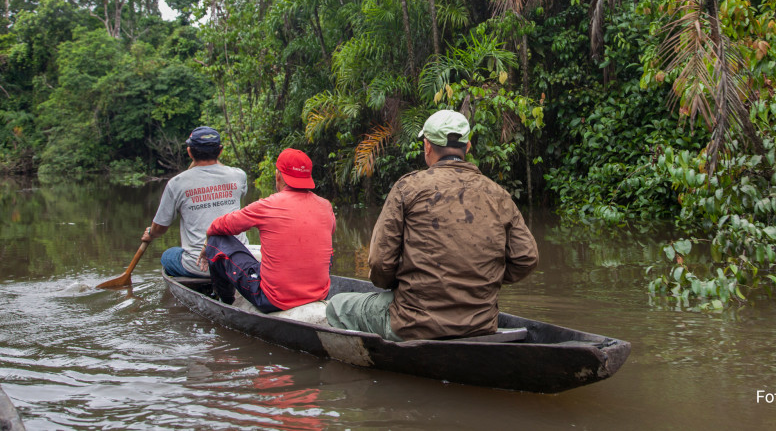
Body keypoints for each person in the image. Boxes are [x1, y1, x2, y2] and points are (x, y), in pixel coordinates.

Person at [326, 109, 539, 341]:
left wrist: (395, 285)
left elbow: (379, 263)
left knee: (337, 305)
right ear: (467, 147)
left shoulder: (408, 188)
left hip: (413, 323)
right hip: (481, 324)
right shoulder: (499, 195)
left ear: (427, 146)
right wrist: (484, 279)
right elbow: (526, 258)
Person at [199, 148, 336, 313]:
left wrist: (207, 244)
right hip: (319, 293)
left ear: (278, 176)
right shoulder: (325, 206)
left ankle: (224, 302)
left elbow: (218, 226)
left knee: (216, 240)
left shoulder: (267, 205)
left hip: (273, 300)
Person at [142, 126, 247, 278]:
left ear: (189, 152)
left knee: (168, 255)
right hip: (238, 263)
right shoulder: (239, 176)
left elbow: (160, 228)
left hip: (199, 266)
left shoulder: (176, 183)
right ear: (220, 151)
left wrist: (151, 233)